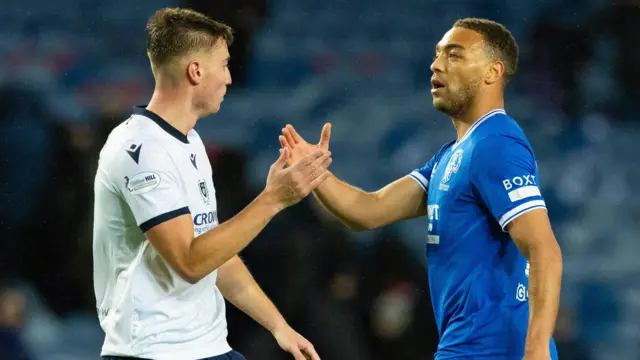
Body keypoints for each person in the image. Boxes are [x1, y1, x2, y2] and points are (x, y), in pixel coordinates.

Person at [280, 18, 563, 360]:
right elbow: (369, 210)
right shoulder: (451, 155)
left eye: (454, 56)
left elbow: (544, 250)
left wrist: (534, 351)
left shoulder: (497, 142)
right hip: (465, 348)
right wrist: (316, 174)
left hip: (496, 350)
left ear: (492, 72)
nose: (436, 64)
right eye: (438, 54)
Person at [92, 8, 328, 360]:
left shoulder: (190, 143)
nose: (229, 78)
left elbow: (215, 252)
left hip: (209, 347)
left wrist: (279, 326)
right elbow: (190, 262)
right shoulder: (139, 151)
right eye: (224, 65)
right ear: (196, 71)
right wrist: (273, 199)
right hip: (154, 352)